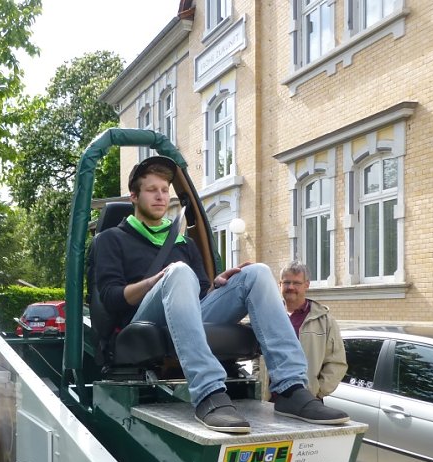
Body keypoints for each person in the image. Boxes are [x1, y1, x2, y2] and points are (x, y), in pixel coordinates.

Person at [93, 156, 349, 433]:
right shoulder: (110, 239)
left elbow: (201, 294)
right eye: (152, 189)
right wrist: (156, 281)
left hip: (185, 311)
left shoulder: (183, 243)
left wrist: (218, 284)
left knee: (257, 273)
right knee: (177, 272)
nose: (161, 196)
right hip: (142, 320)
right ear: (134, 196)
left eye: (165, 190)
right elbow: (112, 298)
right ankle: (208, 392)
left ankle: (290, 388)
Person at [259, 261, 347, 401]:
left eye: (297, 283)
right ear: (279, 284)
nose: (291, 287)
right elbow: (256, 358)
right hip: (270, 402)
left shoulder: (324, 320)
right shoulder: (267, 316)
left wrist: (316, 393)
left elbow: (337, 362)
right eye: (286, 282)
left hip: (306, 403)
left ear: (307, 284)